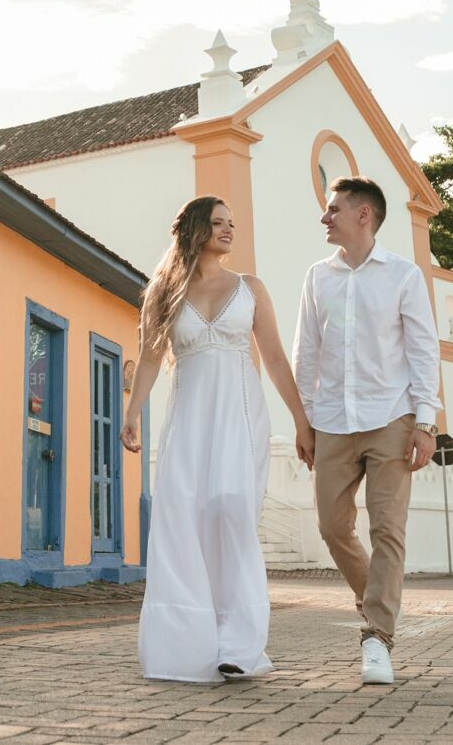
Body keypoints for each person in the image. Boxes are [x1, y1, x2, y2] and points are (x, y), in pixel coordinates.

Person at [122, 195, 315, 683]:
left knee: (231, 509)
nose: (229, 230)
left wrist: (301, 419)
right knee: (183, 518)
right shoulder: (164, 293)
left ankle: (239, 643)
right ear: (193, 230)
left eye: (232, 223)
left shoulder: (251, 289)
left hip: (239, 416)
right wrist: (132, 414)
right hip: (187, 418)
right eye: (217, 222)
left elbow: (273, 358)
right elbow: (148, 358)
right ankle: (189, 642)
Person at [293, 175, 442, 687]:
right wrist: (303, 421)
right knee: (332, 527)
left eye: (333, 209)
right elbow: (305, 354)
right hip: (332, 420)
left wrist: (426, 423)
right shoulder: (318, 277)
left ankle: (377, 636)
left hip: (391, 419)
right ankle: (376, 598)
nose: (324, 217)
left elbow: (424, 351)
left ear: (363, 215)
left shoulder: (403, 275)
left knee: (387, 530)